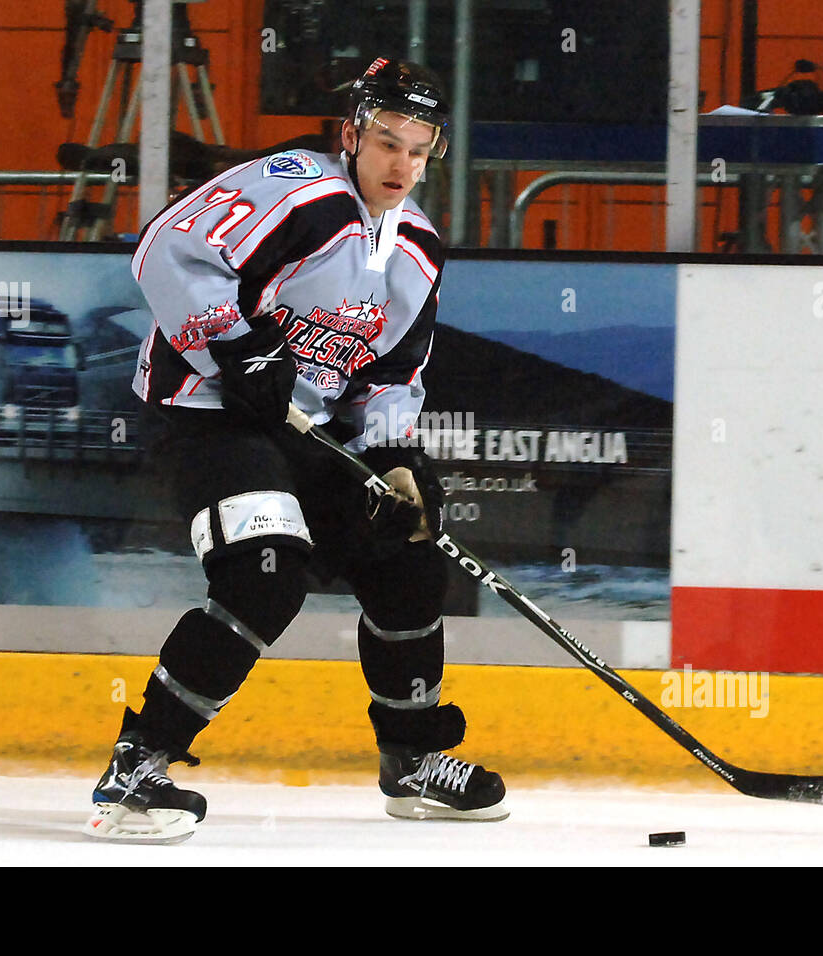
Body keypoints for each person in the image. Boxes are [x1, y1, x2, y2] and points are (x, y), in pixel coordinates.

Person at [84, 58, 507, 843]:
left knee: (410, 553)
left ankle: (412, 760)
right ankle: (138, 766)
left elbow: (388, 371)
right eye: (387, 142)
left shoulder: (417, 247)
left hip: (311, 427)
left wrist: (395, 456)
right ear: (352, 134)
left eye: (420, 148)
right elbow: (166, 250)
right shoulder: (294, 190)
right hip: (212, 411)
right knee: (264, 570)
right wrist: (238, 348)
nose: (402, 164)